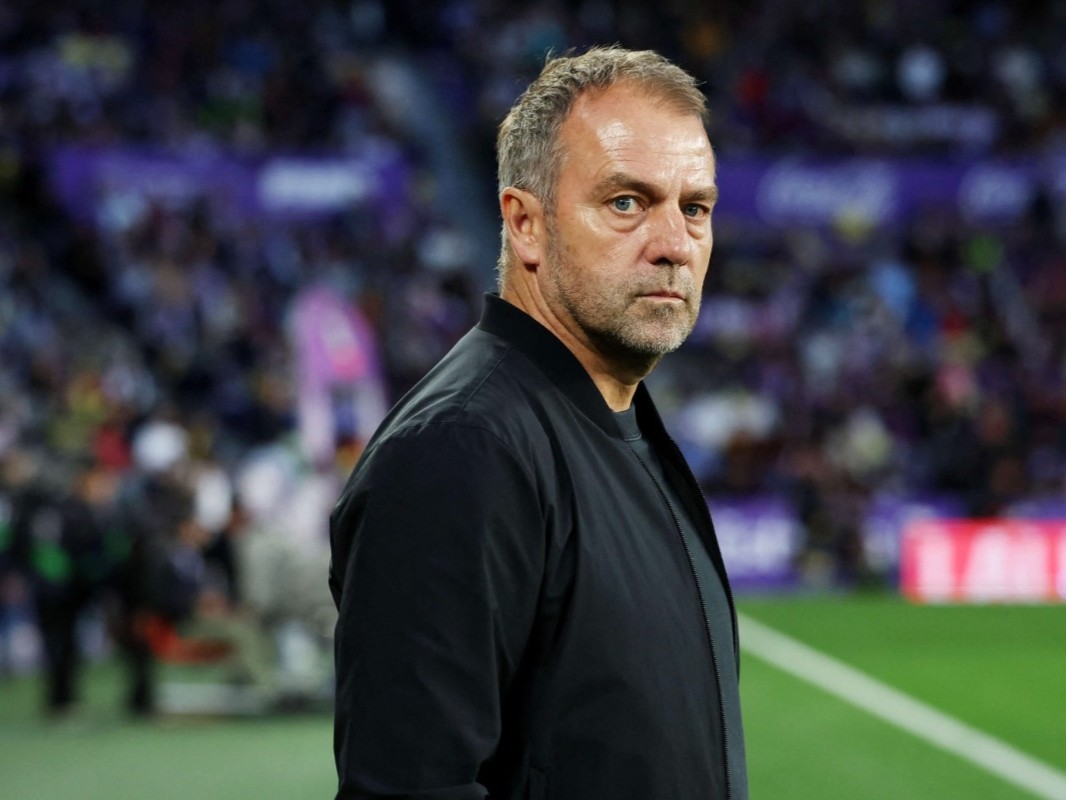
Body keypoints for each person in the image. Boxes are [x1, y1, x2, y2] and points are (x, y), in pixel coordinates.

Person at [329, 46, 747, 799]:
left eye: (695, 208)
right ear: (525, 224)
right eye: (627, 203)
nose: (674, 246)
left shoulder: (617, 421)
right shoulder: (461, 451)